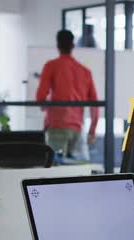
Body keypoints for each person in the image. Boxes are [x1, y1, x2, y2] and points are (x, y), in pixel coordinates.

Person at [36, 30, 99, 158]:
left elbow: (40, 98)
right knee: (78, 172)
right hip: (77, 128)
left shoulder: (51, 66)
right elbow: (95, 105)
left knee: (56, 172)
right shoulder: (84, 71)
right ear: (73, 46)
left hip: (57, 126)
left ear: (58, 45)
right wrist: (92, 131)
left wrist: (47, 107)